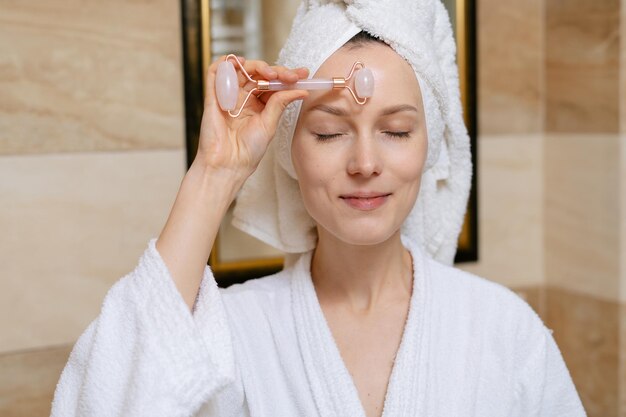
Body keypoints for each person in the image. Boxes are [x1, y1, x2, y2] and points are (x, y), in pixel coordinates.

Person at [51, 1, 586, 416]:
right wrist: (216, 172)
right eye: (329, 133)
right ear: (289, 151)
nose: (365, 162)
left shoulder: (503, 330)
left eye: (397, 130)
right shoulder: (234, 336)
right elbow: (109, 399)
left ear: (432, 145)